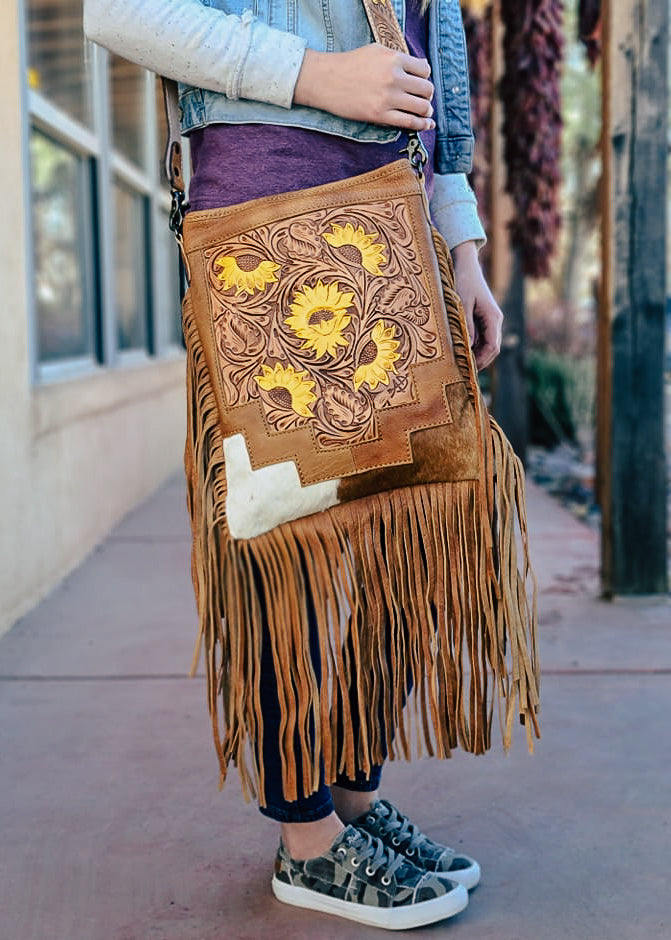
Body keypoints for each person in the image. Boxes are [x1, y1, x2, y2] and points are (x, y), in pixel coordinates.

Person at [84, 0, 508, 930]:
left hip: (398, 228)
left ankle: (353, 802)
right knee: (292, 550)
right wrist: (311, 75)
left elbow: (425, 73)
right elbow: (115, 11)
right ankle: (306, 843)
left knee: (399, 528)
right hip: (274, 226)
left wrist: (464, 247)